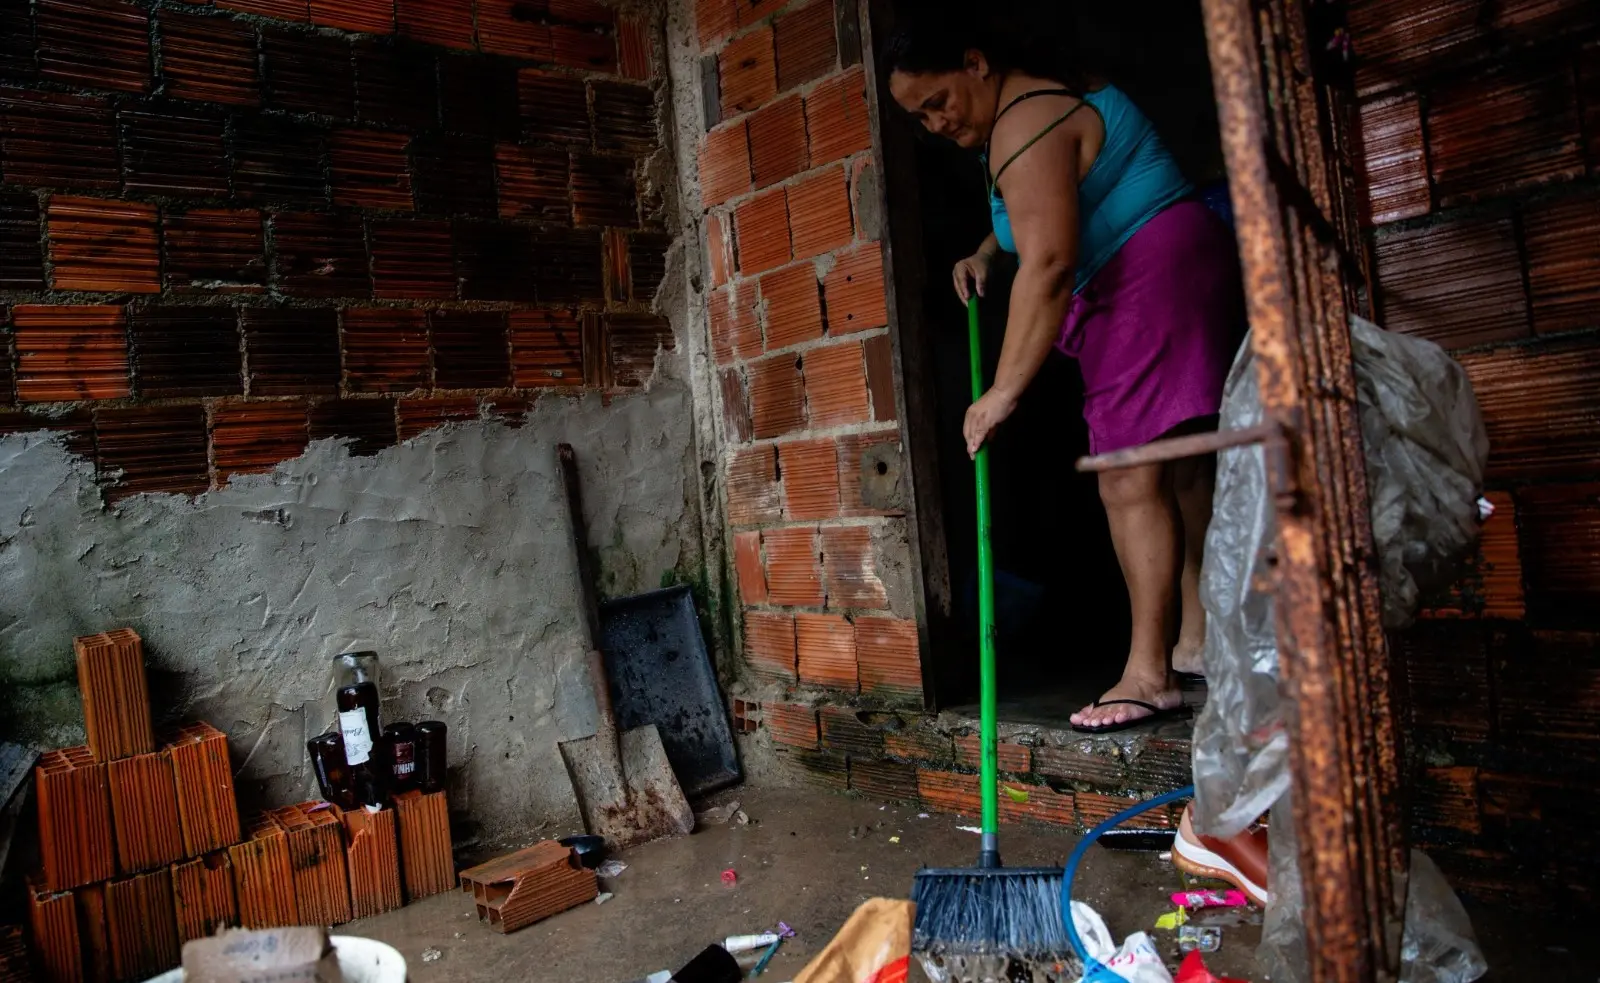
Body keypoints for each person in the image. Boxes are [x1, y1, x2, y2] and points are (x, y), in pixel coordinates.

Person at [883, 17, 1245, 733]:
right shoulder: (1034, 107)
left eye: (937, 100)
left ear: (976, 61)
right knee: (1179, 467)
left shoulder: (1022, 125)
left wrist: (1001, 393)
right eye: (918, 115)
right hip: (1179, 258)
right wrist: (989, 251)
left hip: (1148, 277)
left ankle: (1149, 673)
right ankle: (1200, 642)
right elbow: (1040, 206)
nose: (933, 123)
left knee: (1128, 473)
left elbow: (1047, 267)